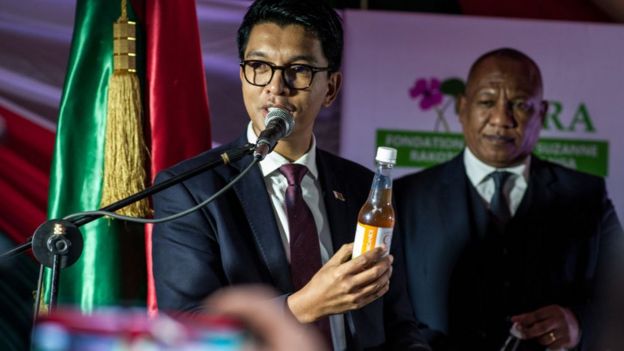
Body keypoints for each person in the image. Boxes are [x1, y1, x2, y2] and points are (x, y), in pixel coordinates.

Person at [152, 1, 431, 350]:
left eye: (298, 70)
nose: (275, 86)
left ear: (330, 87)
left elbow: (399, 323)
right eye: (258, 66)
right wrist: (303, 306)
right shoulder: (191, 190)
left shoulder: (364, 189)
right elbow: (187, 329)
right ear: (243, 76)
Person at [394, 48, 623, 350]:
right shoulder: (407, 197)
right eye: (487, 102)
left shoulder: (587, 195)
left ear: (542, 113)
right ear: (462, 108)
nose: (502, 119)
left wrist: (579, 325)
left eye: (520, 105)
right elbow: (382, 306)